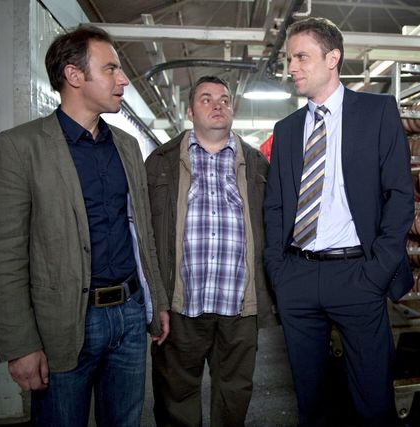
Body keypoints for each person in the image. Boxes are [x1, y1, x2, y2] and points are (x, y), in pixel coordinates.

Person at [0, 25, 170, 427]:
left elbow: (142, 235)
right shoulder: (20, 148)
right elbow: (5, 256)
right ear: (74, 75)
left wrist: (156, 302)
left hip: (129, 314)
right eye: (111, 69)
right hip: (65, 322)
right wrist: (20, 344)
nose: (122, 79)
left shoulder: (126, 146)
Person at [263, 17, 415, 426]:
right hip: (297, 276)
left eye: (301, 57)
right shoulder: (287, 130)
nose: (291, 67)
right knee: (311, 402)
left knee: (372, 400)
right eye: (289, 58)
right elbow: (275, 206)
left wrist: (377, 271)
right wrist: (279, 271)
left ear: (332, 58)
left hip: (357, 275)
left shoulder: (377, 112)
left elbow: (400, 195)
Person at [145, 76, 277, 427]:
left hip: (239, 305)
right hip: (182, 304)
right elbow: (145, 234)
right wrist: (156, 299)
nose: (218, 105)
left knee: (234, 396)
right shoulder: (160, 162)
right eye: (206, 99)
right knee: (176, 398)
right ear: (190, 112)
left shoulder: (257, 164)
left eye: (224, 99)